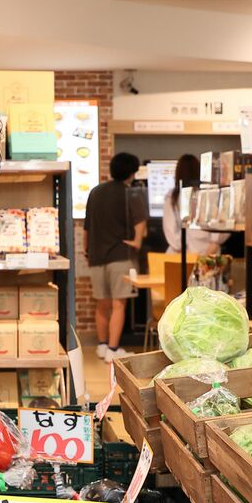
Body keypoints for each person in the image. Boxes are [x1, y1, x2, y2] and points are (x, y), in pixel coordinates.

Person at [84, 152, 147, 360]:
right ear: (132, 172)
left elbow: (87, 227)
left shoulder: (95, 192)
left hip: (96, 257)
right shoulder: (132, 193)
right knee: (119, 304)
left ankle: (102, 346)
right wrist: (137, 241)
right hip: (121, 257)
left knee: (102, 303)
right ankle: (113, 350)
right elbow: (140, 222)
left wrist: (87, 251)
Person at [162, 153, 228, 257]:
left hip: (180, 257)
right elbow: (220, 229)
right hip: (209, 255)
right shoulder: (210, 193)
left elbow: (171, 232)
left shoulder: (172, 197)